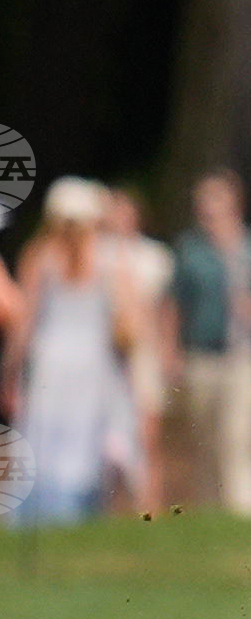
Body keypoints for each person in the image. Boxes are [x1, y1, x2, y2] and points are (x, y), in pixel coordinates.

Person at [9, 180, 143, 525]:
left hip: (50, 361)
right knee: (82, 445)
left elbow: (25, 325)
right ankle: (74, 514)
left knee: (44, 441)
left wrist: (9, 374)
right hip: (92, 364)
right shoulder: (112, 258)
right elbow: (130, 323)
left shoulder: (40, 256)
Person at [171, 170, 251, 518]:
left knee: (240, 440)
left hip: (245, 360)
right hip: (202, 358)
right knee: (206, 445)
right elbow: (173, 306)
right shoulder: (190, 251)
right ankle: (211, 514)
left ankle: (246, 513)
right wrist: (172, 353)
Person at [99, 189, 176, 512]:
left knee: (148, 433)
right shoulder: (94, 253)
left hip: (144, 352)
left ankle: (150, 503)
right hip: (103, 354)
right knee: (106, 436)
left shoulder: (155, 257)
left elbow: (166, 309)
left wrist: (169, 350)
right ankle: (106, 506)